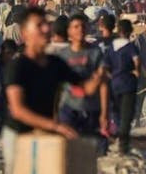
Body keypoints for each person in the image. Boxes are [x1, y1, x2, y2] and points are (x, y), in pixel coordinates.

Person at [1, 8, 103, 174]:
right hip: (19, 134)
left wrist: (99, 78)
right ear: (25, 33)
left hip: (45, 133)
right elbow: (17, 110)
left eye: (47, 24)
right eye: (39, 25)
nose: (46, 29)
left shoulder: (56, 63)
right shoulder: (17, 66)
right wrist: (56, 126)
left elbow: (83, 88)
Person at [46, 14, 107, 153]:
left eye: (83, 26)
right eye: (76, 27)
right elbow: (56, 87)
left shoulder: (95, 53)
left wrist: (105, 113)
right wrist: (53, 112)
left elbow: (103, 84)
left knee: (89, 153)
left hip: (91, 108)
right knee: (69, 150)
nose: (80, 29)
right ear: (69, 31)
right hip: (68, 108)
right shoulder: (62, 55)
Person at [105, 18, 141, 155]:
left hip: (114, 83)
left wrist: (112, 76)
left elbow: (105, 66)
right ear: (130, 31)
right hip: (128, 83)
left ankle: (117, 138)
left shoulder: (111, 47)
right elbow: (137, 61)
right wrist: (136, 72)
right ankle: (123, 145)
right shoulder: (131, 47)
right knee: (127, 114)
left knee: (116, 113)